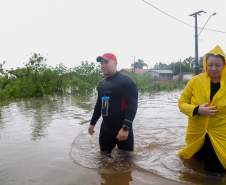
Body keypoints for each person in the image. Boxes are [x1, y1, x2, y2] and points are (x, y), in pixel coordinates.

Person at [178, 45, 226, 173]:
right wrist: (197, 110)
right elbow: (181, 103)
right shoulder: (195, 82)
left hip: (220, 135)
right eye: (210, 65)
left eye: (217, 65)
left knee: (217, 170)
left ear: (224, 65)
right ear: (205, 64)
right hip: (197, 134)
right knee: (194, 167)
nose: (213, 68)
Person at [88, 53, 138, 154]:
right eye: (101, 63)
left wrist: (125, 128)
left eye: (106, 62)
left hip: (122, 128)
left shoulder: (127, 81)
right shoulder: (101, 84)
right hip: (106, 128)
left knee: (126, 162)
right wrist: (92, 123)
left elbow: (132, 106)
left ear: (115, 63)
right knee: (103, 158)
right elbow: (99, 105)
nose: (103, 65)